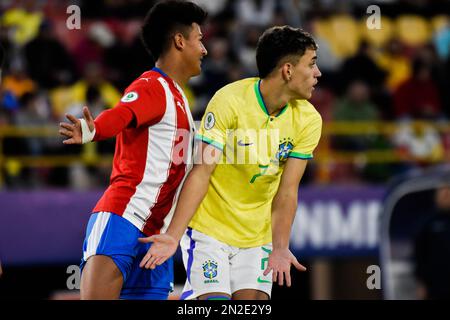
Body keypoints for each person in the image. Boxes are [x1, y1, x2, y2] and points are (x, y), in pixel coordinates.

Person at [139, 26, 322, 300]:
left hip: (256, 238)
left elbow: (287, 191)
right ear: (287, 70)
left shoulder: (309, 120)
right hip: (209, 231)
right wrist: (174, 235)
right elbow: (202, 172)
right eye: (311, 64)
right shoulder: (229, 101)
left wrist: (280, 247)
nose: (318, 73)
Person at [58, 0, 208, 300]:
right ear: (180, 41)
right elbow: (121, 114)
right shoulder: (153, 85)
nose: (204, 49)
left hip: (156, 238)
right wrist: (94, 130)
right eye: (200, 39)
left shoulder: (180, 98)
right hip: (122, 220)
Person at [413, 184, 450, 299]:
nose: (446, 194)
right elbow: (419, 254)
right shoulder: (428, 222)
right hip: (435, 287)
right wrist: (421, 284)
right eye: (442, 191)